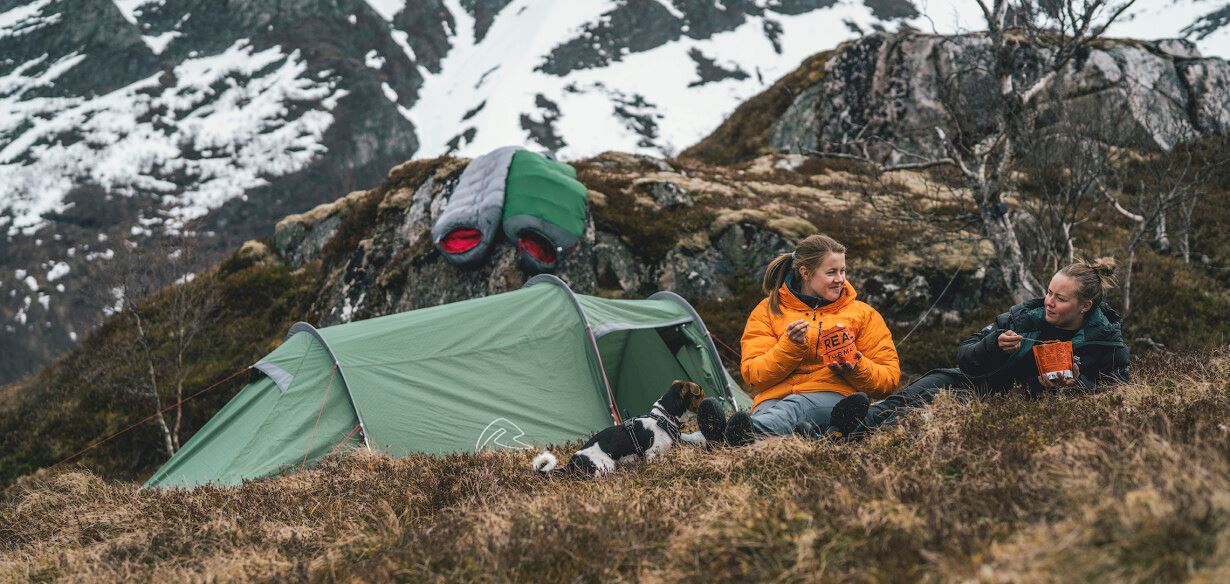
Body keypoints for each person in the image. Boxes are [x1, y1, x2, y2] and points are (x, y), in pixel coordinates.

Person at [856, 257, 1131, 432]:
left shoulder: (1106, 345)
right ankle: (842, 427)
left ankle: (855, 436)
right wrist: (994, 345)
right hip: (970, 380)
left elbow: (1117, 397)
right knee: (906, 398)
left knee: (911, 417)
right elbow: (965, 355)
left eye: (1060, 298)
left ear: (1085, 306)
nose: (1049, 302)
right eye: (1049, 292)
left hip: (1001, 408)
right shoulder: (1024, 316)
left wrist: (1076, 386)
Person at [697, 234, 901, 446]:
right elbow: (754, 376)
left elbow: (888, 381)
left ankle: (728, 437)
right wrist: (790, 346)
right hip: (773, 399)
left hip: (832, 397)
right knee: (773, 420)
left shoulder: (863, 314)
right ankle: (733, 440)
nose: (840, 279)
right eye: (831, 272)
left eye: (843, 271)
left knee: (795, 407)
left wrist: (856, 367)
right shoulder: (767, 310)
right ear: (805, 273)